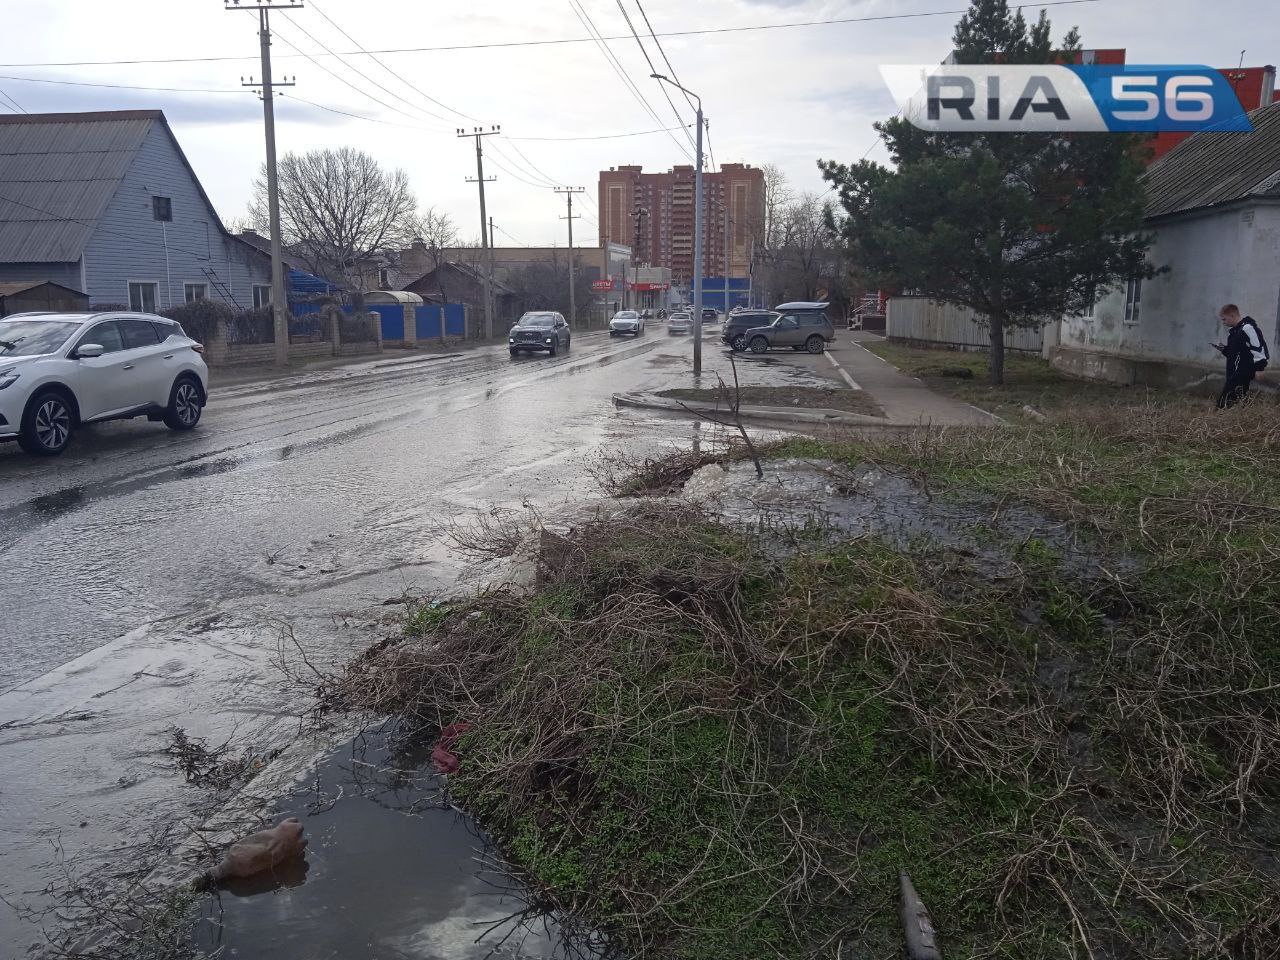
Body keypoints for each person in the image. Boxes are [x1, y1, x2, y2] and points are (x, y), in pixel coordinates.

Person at [1213, 304, 1270, 408]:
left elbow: (1258, 346)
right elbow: (1235, 353)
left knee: (1223, 404)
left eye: (1224, 319)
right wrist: (1224, 349)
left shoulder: (1247, 328)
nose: (1223, 323)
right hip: (1234, 373)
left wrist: (1260, 368)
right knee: (1239, 400)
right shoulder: (1234, 332)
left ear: (1232, 315)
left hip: (1241, 373)